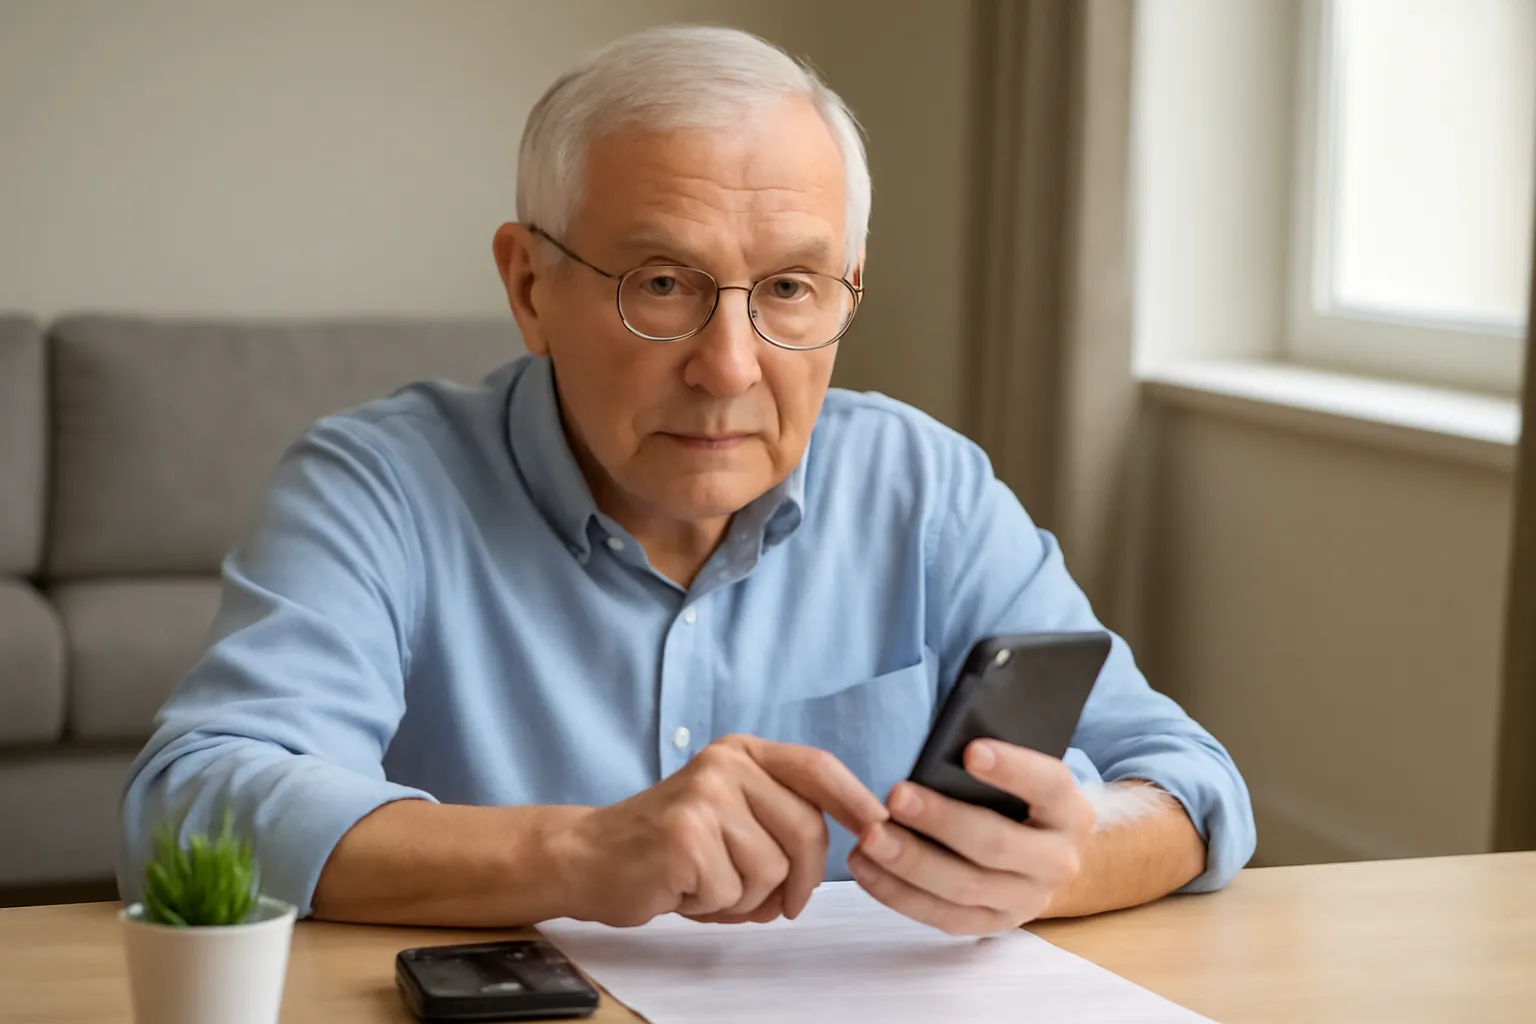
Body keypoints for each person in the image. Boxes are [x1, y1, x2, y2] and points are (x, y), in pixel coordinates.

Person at [119, 25, 1254, 936]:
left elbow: (1191, 783)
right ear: (528, 285)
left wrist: (1064, 855)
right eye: (662, 283)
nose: (728, 366)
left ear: (849, 292)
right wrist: (578, 852)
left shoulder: (929, 488)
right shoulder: (380, 487)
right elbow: (190, 809)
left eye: (793, 290)